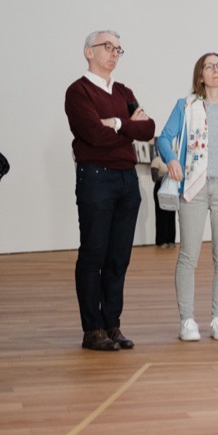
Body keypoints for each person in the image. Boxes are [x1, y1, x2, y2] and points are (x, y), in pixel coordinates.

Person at [156, 52, 218, 342]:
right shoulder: (186, 106)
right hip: (194, 187)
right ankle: (187, 320)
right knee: (189, 255)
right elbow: (164, 137)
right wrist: (172, 159)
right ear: (200, 75)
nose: (216, 70)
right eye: (209, 66)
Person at [64, 30, 155, 351]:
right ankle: (92, 329)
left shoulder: (124, 91)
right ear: (89, 52)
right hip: (96, 178)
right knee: (94, 254)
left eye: (118, 48)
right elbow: (92, 135)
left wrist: (116, 123)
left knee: (119, 256)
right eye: (107, 47)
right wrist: (128, 125)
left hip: (127, 180)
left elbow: (148, 128)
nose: (114, 53)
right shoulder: (78, 92)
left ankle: (112, 324)